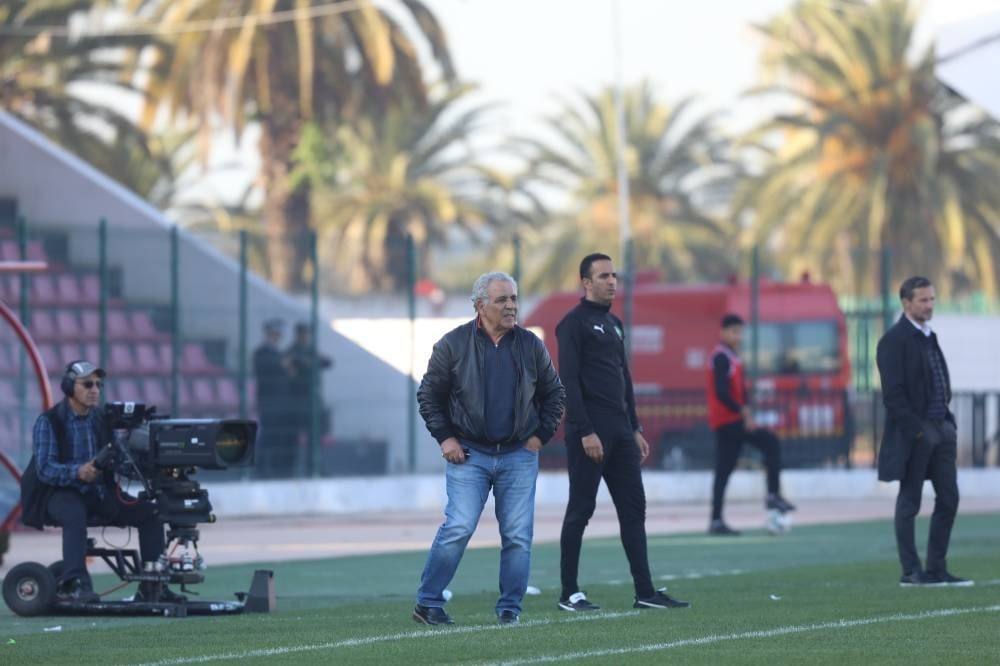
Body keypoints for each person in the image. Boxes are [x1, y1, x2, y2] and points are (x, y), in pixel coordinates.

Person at [414, 271, 565, 626]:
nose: (511, 306)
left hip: (518, 455)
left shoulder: (531, 345)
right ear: (480, 306)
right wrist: (446, 438)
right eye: (502, 300)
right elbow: (429, 396)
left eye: (514, 298)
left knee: (517, 536)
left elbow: (554, 394)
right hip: (469, 454)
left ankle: (510, 609)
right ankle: (428, 602)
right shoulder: (452, 345)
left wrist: (540, 436)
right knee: (459, 526)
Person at [556, 253, 689, 613]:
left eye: (614, 275)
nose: (612, 281)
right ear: (586, 282)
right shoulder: (572, 324)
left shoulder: (614, 323)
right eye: (603, 276)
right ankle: (569, 592)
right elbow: (568, 381)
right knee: (581, 510)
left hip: (620, 432)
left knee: (634, 509)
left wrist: (635, 427)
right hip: (591, 432)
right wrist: (584, 430)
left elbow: (624, 377)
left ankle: (645, 592)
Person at [29, 361, 180, 602]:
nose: (95, 390)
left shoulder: (102, 420)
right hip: (58, 494)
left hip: (99, 493)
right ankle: (75, 583)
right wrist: (78, 472)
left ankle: (154, 586)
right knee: (74, 513)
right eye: (87, 384)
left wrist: (148, 468)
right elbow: (45, 469)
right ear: (69, 387)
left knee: (150, 513)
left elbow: (119, 461)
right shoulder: (49, 422)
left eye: (98, 384)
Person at [876, 276, 970, 587]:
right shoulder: (893, 340)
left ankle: (936, 568)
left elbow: (939, 381)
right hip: (916, 435)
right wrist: (918, 431)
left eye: (932, 299)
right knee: (910, 501)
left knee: (949, 498)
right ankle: (911, 571)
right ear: (906, 303)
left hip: (941, 430)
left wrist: (947, 422)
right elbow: (894, 395)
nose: (929, 305)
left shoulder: (929, 336)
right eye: (923, 300)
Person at [706, 314, 795, 536]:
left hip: (734, 420)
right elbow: (721, 392)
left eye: (740, 332)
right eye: (734, 332)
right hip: (728, 421)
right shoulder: (721, 358)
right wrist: (741, 411)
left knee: (724, 469)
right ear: (723, 332)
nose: (738, 336)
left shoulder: (733, 357)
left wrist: (746, 412)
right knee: (770, 443)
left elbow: (741, 391)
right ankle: (772, 495)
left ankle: (716, 520)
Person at [285, 321, 334, 470]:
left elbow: (328, 362)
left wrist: (311, 362)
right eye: (303, 334)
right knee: (293, 437)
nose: (305, 337)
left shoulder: (311, 350)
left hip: (313, 399)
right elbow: (298, 363)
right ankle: (291, 468)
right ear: (298, 335)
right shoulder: (292, 350)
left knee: (315, 436)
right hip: (297, 399)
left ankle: (313, 466)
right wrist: (310, 362)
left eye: (307, 334)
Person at [253, 318, 293, 477]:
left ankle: (276, 468)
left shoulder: (279, 354)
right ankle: (262, 468)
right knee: (268, 434)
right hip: (268, 400)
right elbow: (268, 368)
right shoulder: (261, 353)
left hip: (281, 401)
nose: (277, 337)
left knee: (278, 435)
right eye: (274, 334)